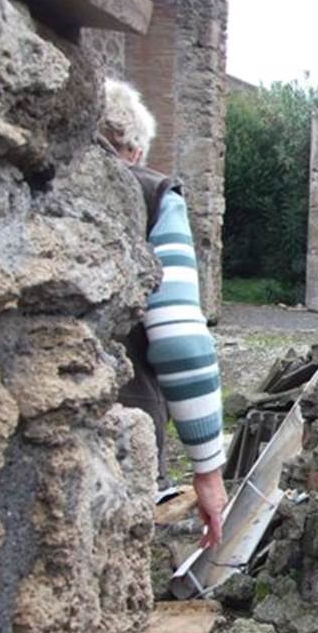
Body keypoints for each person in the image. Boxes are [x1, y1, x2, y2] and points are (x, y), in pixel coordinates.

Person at [98, 78, 228, 550]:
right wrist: (208, 470)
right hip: (114, 429)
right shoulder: (152, 196)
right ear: (133, 151)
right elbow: (179, 340)